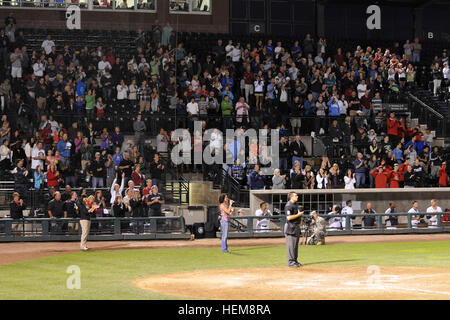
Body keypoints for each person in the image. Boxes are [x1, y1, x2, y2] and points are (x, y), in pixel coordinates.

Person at [284, 192, 304, 268]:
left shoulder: (296, 204)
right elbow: (288, 218)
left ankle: (295, 261)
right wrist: (298, 215)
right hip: (290, 227)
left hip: (295, 227)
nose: (297, 196)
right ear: (291, 197)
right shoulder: (288, 205)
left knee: (295, 246)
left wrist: (300, 221)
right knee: (291, 246)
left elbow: (298, 216)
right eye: (296, 195)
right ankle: (291, 262)